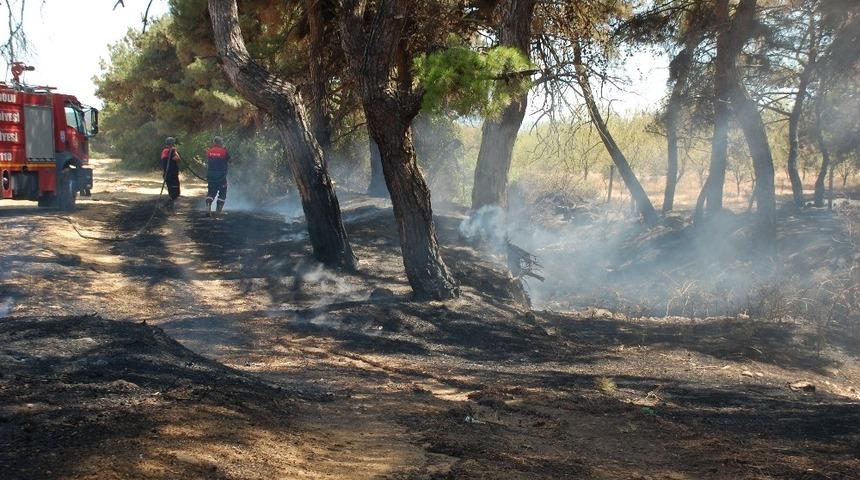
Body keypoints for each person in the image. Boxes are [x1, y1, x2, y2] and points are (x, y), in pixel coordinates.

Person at [206, 136, 230, 213]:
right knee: (223, 191)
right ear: (220, 143)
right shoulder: (224, 151)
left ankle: (208, 204)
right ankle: (218, 210)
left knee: (211, 191)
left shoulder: (209, 151)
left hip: (210, 175)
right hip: (221, 176)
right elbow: (230, 161)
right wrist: (225, 150)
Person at [160, 137, 181, 210]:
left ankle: (170, 208)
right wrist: (175, 152)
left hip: (167, 175)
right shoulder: (170, 151)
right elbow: (178, 159)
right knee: (176, 193)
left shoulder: (164, 151)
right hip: (172, 175)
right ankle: (165, 205)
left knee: (171, 192)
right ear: (172, 143)